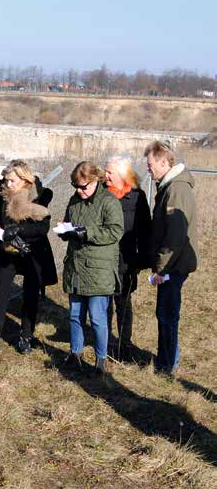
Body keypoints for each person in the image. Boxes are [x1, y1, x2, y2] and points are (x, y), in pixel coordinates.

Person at [0, 160, 57, 356]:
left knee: (31, 294)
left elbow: (42, 227)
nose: (7, 185)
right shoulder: (1, 193)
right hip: (7, 251)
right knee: (1, 294)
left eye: (12, 181)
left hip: (31, 251)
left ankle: (25, 337)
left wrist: (20, 229)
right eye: (6, 181)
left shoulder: (36, 195)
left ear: (24, 179)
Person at [58, 161, 123, 374]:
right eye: (75, 186)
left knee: (97, 317)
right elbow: (69, 222)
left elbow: (115, 232)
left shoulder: (109, 202)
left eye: (83, 186)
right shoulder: (74, 201)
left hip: (99, 270)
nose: (79, 190)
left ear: (96, 181)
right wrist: (65, 230)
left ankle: (101, 359)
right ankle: (75, 354)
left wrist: (87, 232)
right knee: (75, 315)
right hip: (76, 266)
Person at [144, 140, 198, 376]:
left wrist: (161, 269)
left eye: (150, 164)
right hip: (171, 265)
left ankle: (168, 365)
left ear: (164, 162)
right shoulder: (169, 186)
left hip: (173, 266)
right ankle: (164, 360)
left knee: (167, 313)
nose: (148, 168)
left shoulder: (176, 189)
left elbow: (174, 237)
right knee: (164, 312)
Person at [104, 156, 152, 361]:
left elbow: (145, 231)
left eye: (109, 173)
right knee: (103, 303)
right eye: (105, 172)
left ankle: (124, 344)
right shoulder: (100, 193)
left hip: (127, 259)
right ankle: (103, 343)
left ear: (122, 175)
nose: (105, 176)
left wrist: (142, 260)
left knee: (123, 302)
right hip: (103, 259)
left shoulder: (137, 197)